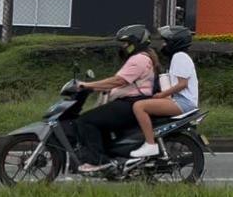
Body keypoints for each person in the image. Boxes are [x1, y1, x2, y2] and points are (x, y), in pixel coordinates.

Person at [74, 25, 161, 174]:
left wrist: (87, 85)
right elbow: (119, 82)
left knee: (86, 121)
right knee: (99, 121)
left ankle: (98, 161)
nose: (123, 46)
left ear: (136, 42)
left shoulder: (139, 59)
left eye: (126, 43)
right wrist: (96, 87)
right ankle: (109, 159)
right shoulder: (142, 57)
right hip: (129, 102)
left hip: (130, 104)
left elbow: (118, 81)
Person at [130, 26, 199, 158]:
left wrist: (161, 95)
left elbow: (182, 84)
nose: (163, 45)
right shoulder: (179, 57)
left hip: (183, 103)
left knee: (139, 106)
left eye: (166, 42)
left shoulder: (180, 57)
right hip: (180, 101)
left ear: (175, 42)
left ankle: (150, 145)